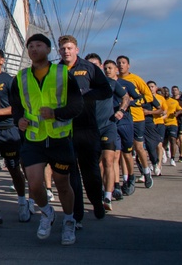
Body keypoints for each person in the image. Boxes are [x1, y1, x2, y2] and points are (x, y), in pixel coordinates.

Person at [11, 34, 83, 245]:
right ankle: (47, 213)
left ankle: (69, 220)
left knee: (62, 184)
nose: (34, 49)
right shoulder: (21, 77)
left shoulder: (62, 73)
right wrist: (19, 120)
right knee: (34, 184)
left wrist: (56, 113)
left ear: (49, 49)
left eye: (39, 45)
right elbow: (17, 105)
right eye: (30, 46)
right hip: (34, 138)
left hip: (59, 137)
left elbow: (77, 106)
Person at [57, 35, 112, 224]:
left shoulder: (90, 69)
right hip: (65, 129)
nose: (66, 51)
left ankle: (97, 202)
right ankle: (76, 215)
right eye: (63, 49)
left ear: (77, 50)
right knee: (72, 175)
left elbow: (106, 90)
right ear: (59, 51)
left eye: (70, 48)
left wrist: (85, 95)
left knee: (91, 172)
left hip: (87, 127)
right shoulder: (55, 71)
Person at [0, 45, 31, 223]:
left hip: (8, 130)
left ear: (2, 60)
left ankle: (22, 202)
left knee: (13, 168)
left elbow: (19, 107)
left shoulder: (9, 80)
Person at [116, 56, 155, 189]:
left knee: (138, 147)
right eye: (118, 63)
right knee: (123, 149)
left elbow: (149, 96)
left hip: (137, 117)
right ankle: (126, 179)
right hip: (122, 118)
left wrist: (133, 103)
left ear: (128, 65)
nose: (121, 65)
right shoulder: (115, 80)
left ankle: (146, 171)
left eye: (123, 63)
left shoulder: (136, 79)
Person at [102, 59, 138, 199]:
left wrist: (123, 109)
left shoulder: (125, 84)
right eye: (105, 68)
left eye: (110, 68)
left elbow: (135, 98)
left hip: (125, 121)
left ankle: (131, 176)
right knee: (114, 155)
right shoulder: (102, 84)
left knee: (127, 153)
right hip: (110, 123)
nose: (107, 71)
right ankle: (116, 186)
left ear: (116, 69)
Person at [144, 81, 167, 176]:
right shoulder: (145, 97)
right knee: (150, 146)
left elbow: (164, 111)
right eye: (148, 86)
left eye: (152, 86)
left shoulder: (160, 98)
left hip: (159, 123)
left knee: (159, 145)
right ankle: (154, 162)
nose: (150, 88)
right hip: (149, 124)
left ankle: (159, 165)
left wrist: (151, 113)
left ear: (156, 88)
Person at [163, 87, 182, 166]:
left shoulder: (174, 101)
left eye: (167, 91)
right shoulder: (160, 101)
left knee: (173, 139)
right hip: (162, 123)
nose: (166, 93)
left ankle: (172, 158)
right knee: (164, 142)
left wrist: (176, 114)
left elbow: (180, 109)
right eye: (165, 92)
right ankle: (165, 151)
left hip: (172, 123)